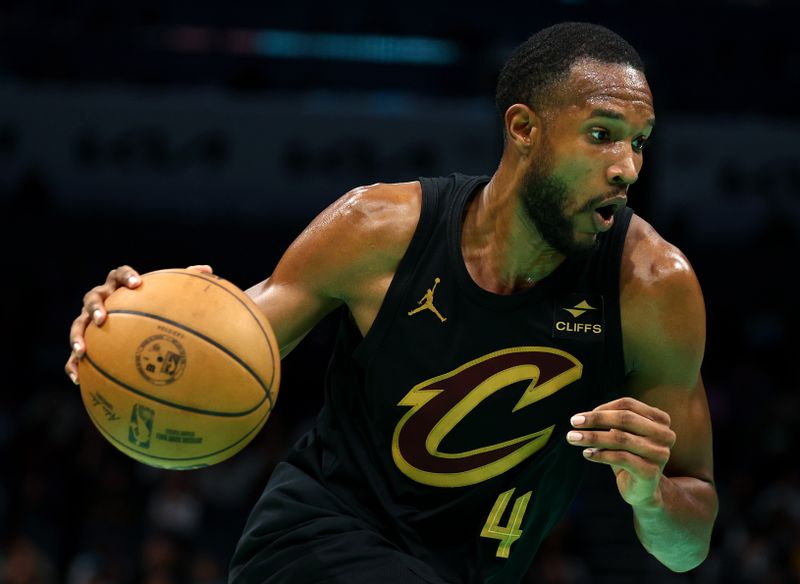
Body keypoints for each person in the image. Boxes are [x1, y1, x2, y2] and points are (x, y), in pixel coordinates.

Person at [65, 21, 718, 583]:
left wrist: (652, 496)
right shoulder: (380, 228)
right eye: (602, 134)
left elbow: (686, 549)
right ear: (523, 128)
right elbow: (233, 339)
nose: (627, 167)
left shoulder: (653, 289)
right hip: (312, 542)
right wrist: (137, 322)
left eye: (639, 141)